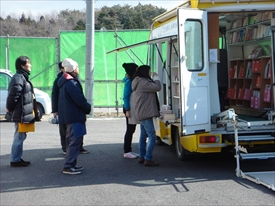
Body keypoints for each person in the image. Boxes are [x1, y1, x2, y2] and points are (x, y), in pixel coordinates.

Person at [58, 58, 91, 175]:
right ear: (73, 69)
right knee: (75, 141)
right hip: (74, 116)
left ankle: (72, 164)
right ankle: (69, 165)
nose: (78, 69)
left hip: (68, 116)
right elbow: (80, 100)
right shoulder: (72, 83)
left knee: (71, 140)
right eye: (77, 67)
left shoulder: (63, 81)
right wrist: (88, 107)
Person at [6, 56, 38, 167]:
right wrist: (9, 108)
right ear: (22, 66)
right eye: (29, 63)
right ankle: (15, 160)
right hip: (21, 113)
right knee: (19, 136)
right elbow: (13, 95)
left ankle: (17, 158)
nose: (31, 66)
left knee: (20, 136)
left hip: (23, 112)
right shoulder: (19, 77)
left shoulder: (21, 77)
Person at [51, 61, 89, 155]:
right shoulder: (64, 81)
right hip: (65, 109)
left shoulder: (72, 79)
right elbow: (55, 95)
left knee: (74, 133)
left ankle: (78, 148)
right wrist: (55, 110)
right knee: (66, 132)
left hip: (71, 110)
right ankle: (65, 149)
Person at [132, 65, 161, 166]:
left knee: (143, 135)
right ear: (145, 72)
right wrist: (156, 78)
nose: (150, 73)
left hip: (141, 112)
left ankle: (142, 156)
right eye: (149, 71)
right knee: (152, 136)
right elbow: (157, 87)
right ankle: (148, 158)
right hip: (146, 113)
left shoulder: (138, 81)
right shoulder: (143, 82)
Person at [122, 63, 139, 159]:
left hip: (130, 108)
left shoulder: (130, 80)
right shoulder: (129, 81)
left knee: (131, 129)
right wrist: (127, 110)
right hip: (129, 108)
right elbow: (125, 96)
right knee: (130, 129)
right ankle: (127, 151)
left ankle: (129, 150)